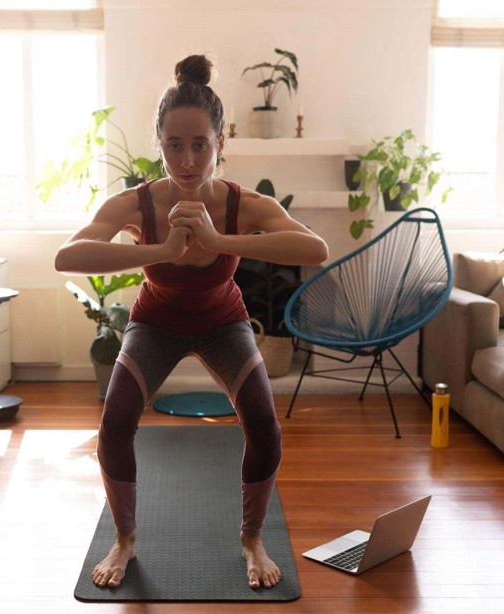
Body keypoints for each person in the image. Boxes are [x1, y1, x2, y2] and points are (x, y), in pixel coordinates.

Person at [55, 54, 329, 590]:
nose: (187, 160)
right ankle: (125, 540)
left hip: (223, 321)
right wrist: (158, 249)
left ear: (220, 143)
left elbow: (314, 248)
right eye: (174, 145)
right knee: (114, 423)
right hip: (154, 322)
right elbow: (68, 257)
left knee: (265, 428)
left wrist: (220, 241)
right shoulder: (138, 203)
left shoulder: (239, 205)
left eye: (200, 144)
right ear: (158, 144)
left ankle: (252, 539)